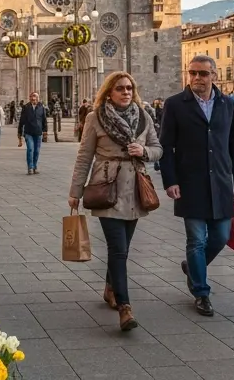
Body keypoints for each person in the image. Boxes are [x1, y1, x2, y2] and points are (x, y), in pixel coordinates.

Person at [68, 71, 162, 331]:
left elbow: (158, 148)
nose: (126, 92)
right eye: (120, 88)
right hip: (107, 188)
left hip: (135, 190)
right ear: (109, 92)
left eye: (129, 88)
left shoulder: (144, 117)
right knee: (118, 249)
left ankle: (110, 288)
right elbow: (84, 157)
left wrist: (143, 151)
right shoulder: (95, 118)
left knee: (123, 249)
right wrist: (75, 192)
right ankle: (125, 307)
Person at [160, 54, 234, 317]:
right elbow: (166, 147)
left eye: (203, 74)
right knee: (196, 240)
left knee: (220, 237)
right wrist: (170, 180)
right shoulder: (175, 104)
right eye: (193, 73)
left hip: (220, 180)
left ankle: (193, 266)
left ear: (214, 76)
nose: (197, 78)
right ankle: (201, 292)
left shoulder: (227, 104)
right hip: (190, 182)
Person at [18, 91, 47, 174]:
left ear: (38, 99)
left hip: (38, 132)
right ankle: (30, 167)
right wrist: (19, 133)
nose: (34, 99)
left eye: (36, 97)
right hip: (28, 132)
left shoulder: (41, 107)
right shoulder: (26, 107)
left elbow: (44, 120)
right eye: (32, 97)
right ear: (30, 98)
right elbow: (21, 121)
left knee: (37, 150)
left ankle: (35, 166)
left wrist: (45, 131)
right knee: (30, 149)